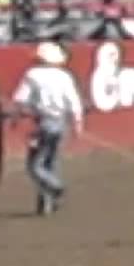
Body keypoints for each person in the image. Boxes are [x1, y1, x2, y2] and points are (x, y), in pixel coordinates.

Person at [11, 42, 85, 216]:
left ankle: (55, 187)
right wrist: (78, 123)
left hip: (43, 123)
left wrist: (15, 117)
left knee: (34, 166)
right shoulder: (64, 76)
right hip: (61, 123)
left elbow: (20, 99)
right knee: (51, 163)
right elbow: (74, 101)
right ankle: (47, 202)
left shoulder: (33, 74)